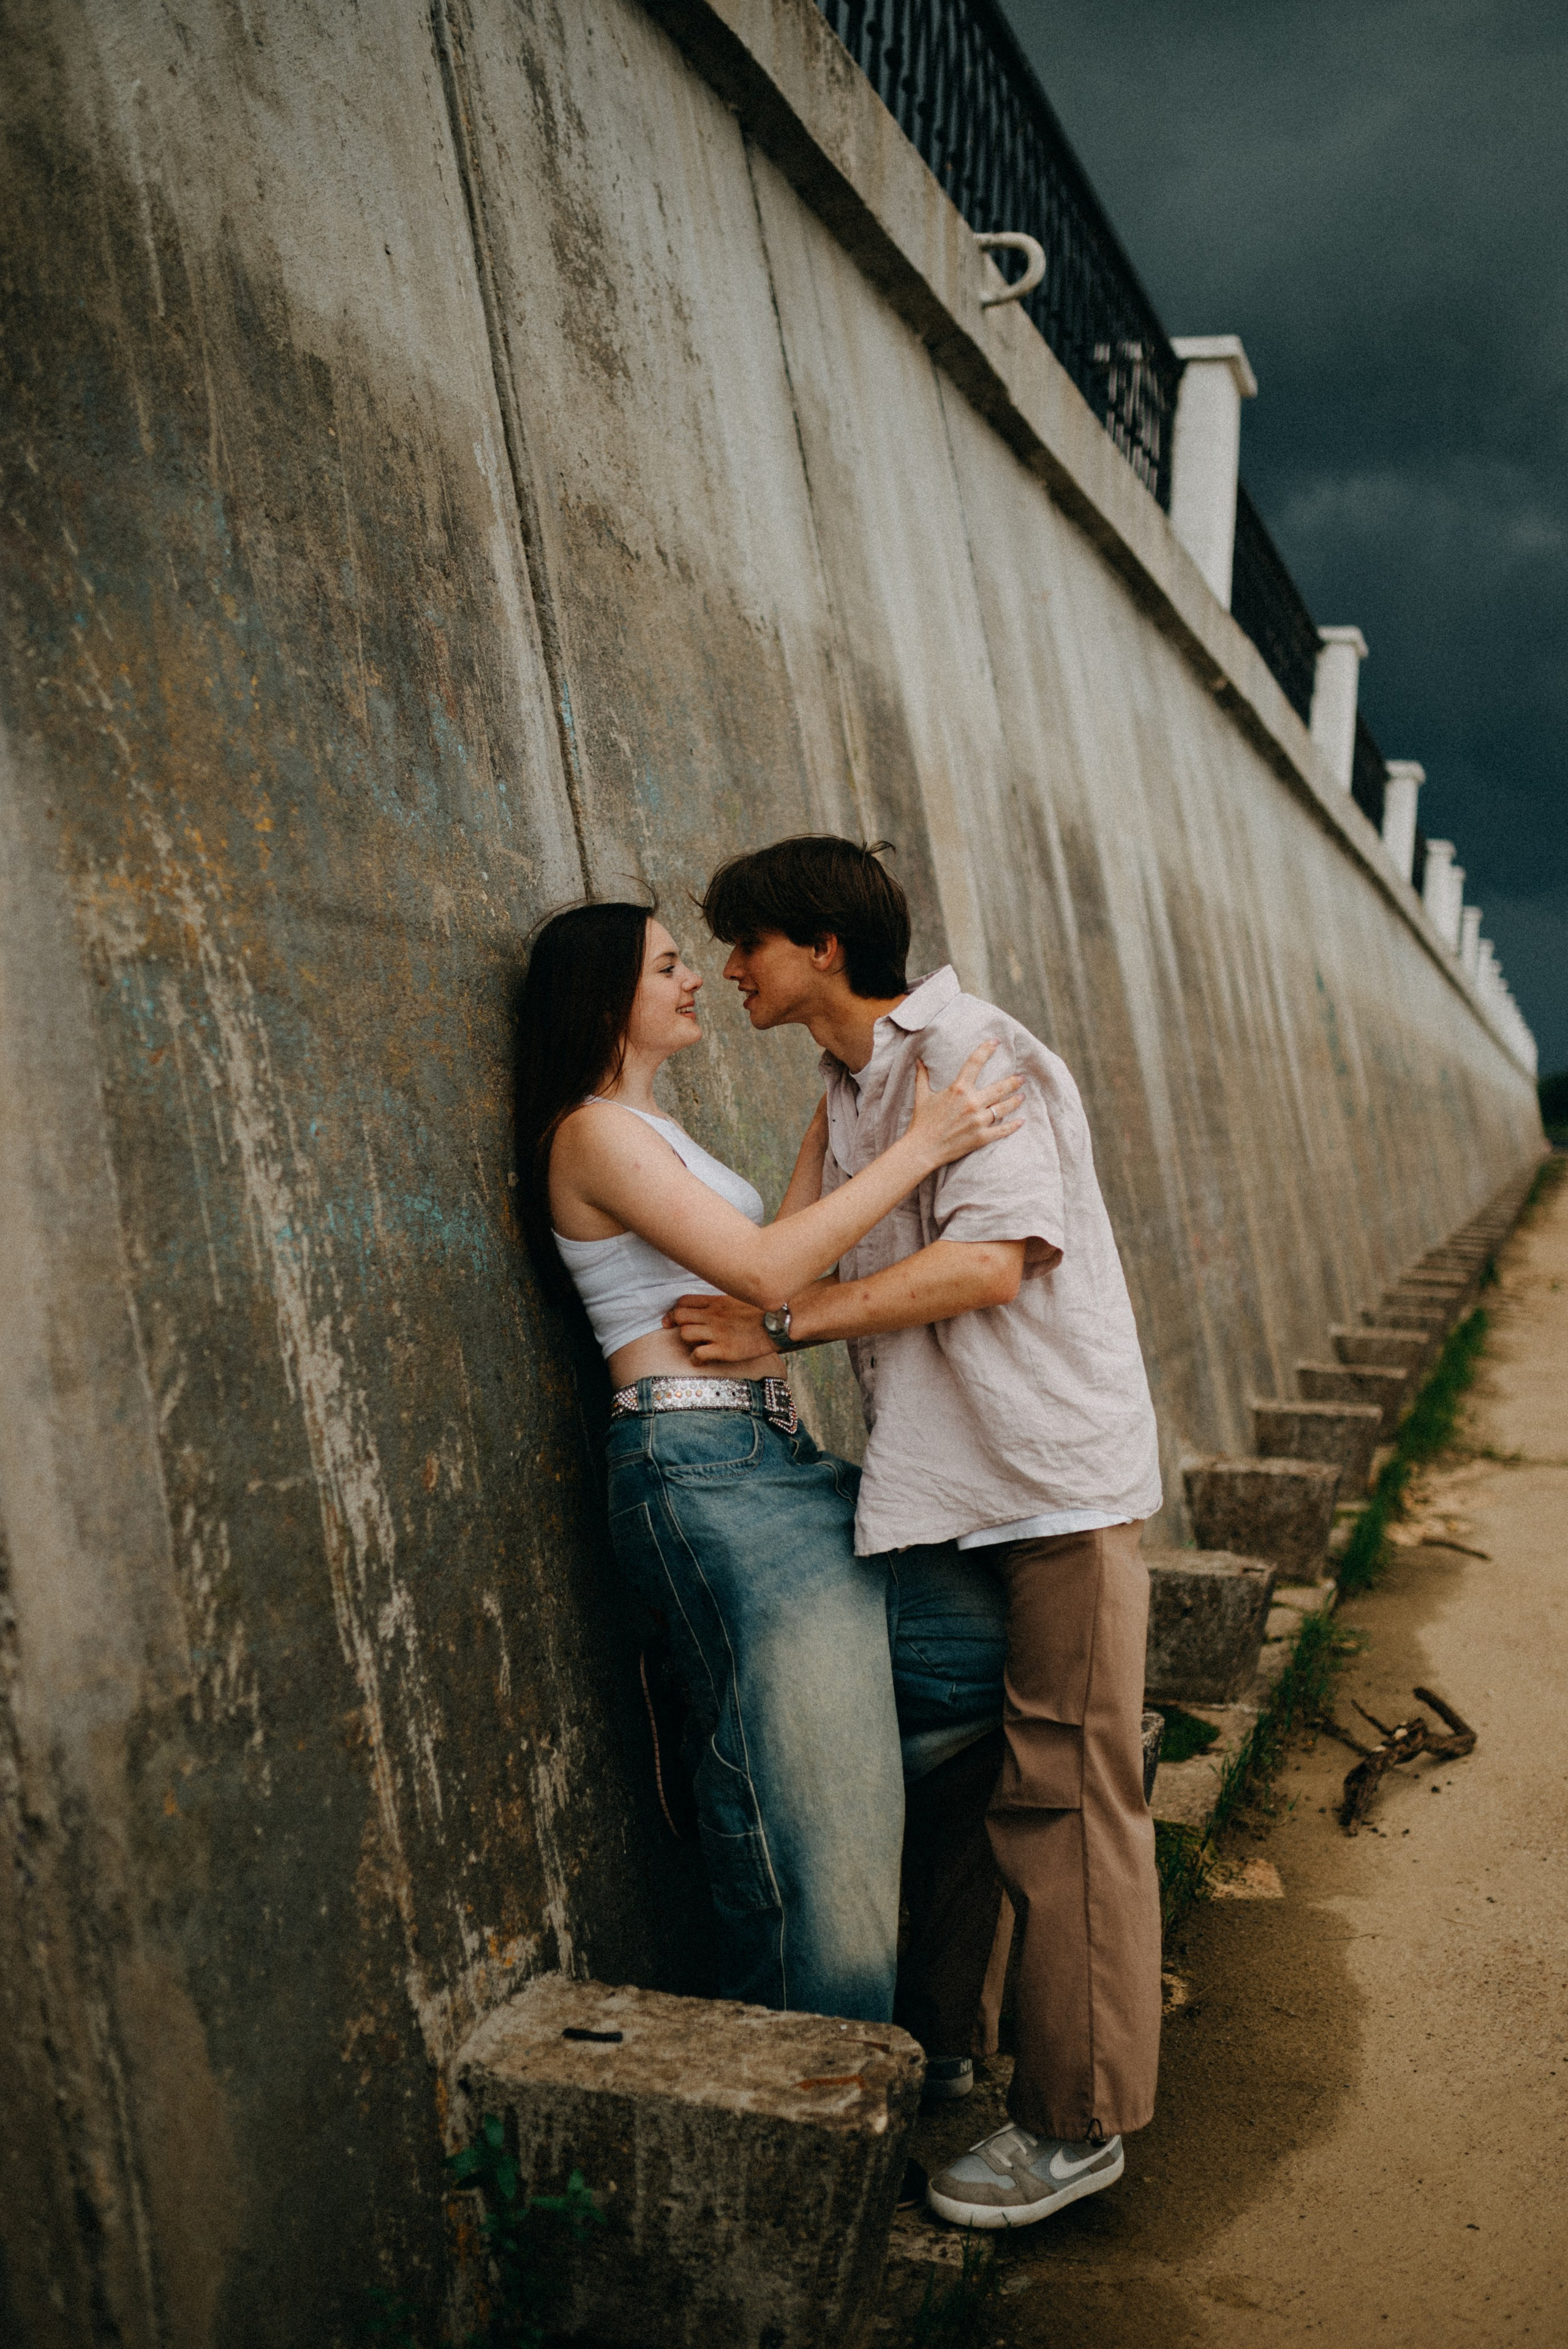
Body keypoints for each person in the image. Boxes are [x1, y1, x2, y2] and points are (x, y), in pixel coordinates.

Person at [668, 835, 1163, 2230]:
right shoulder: (851, 1083)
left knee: (1065, 1801)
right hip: (944, 1493)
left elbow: (991, 1262)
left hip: (1047, 1489)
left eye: (743, 943)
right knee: (951, 1779)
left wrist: (783, 1326)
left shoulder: (976, 1050)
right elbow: (792, 1239)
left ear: (819, 947)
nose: (727, 968)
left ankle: (1074, 2127)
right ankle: (949, 2046)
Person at [515, 898, 1021, 2026]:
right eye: (668, 966)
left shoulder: (662, 1135)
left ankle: (759, 1756)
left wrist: (833, 1122)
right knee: (826, 1887)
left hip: (782, 1465)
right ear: (605, 997)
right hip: (701, 1472)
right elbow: (760, 1265)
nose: (697, 979)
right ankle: (812, 2117)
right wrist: (927, 1146)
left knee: (1001, 1656)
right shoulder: (589, 1133)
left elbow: (772, 1282)